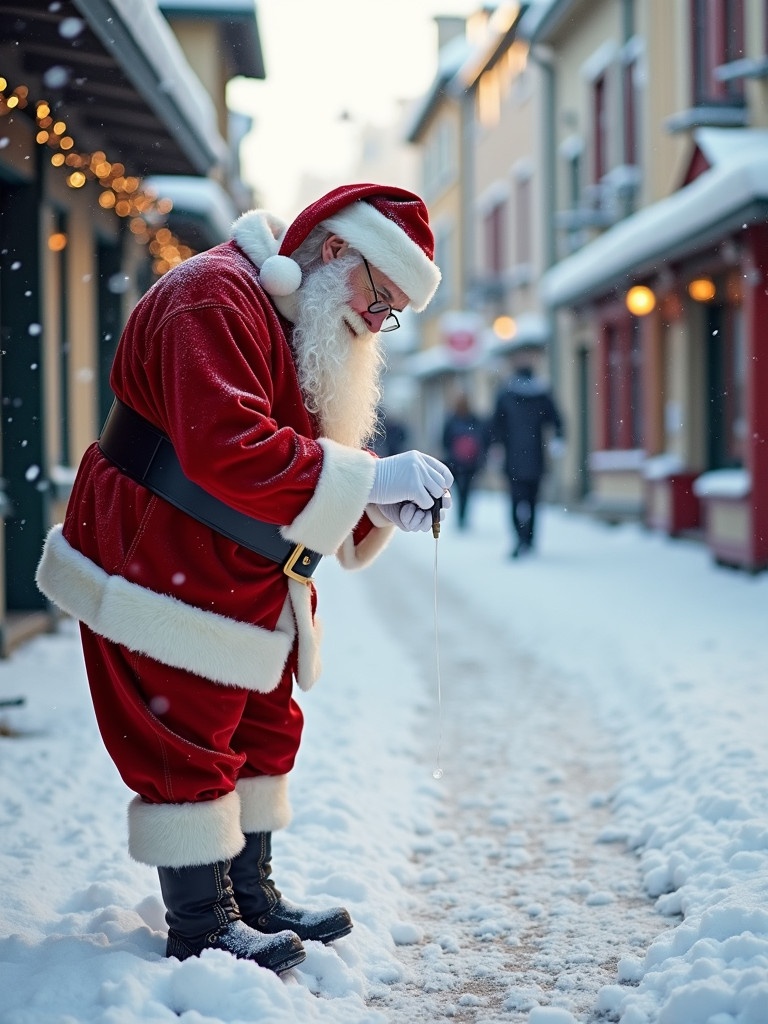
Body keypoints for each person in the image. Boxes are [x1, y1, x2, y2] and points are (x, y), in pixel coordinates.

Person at [35, 184, 454, 974]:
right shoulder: (212, 296)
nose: (378, 321)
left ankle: (250, 896)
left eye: (393, 310)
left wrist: (373, 508)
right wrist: (366, 478)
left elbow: (293, 455)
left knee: (262, 724)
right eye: (381, 296)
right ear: (336, 252)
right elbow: (227, 445)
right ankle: (201, 922)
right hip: (159, 555)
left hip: (233, 564)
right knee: (185, 731)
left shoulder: (297, 316)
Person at [490, 360, 564, 558]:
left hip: (513, 459)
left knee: (516, 501)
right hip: (536, 458)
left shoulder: (506, 395)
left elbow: (495, 425)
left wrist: (495, 447)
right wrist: (558, 439)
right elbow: (557, 420)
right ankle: (528, 539)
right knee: (532, 502)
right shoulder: (541, 396)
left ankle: (520, 538)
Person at [441, 393, 487, 529]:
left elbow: (445, 441)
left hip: (459, 463)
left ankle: (461, 517)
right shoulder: (473, 420)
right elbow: (482, 439)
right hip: (468, 463)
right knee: (465, 491)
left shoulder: (452, 420)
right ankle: (462, 517)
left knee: (462, 491)